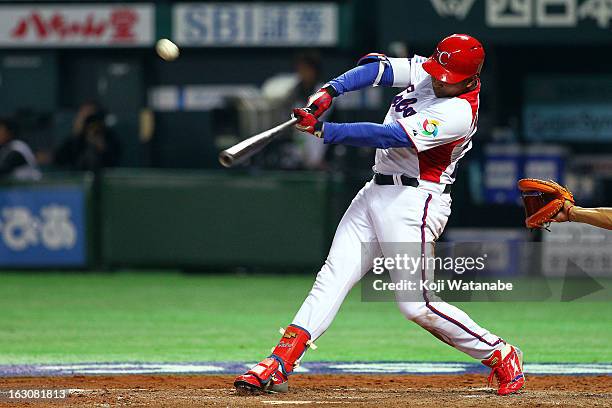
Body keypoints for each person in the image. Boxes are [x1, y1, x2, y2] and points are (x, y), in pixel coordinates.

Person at [234, 34, 525, 396]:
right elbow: (377, 70)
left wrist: (324, 129)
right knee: (333, 276)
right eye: (436, 71)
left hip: (414, 200)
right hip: (375, 190)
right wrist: (329, 92)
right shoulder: (430, 69)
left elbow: (388, 136)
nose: (436, 79)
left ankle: (501, 353)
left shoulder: (459, 112)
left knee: (416, 305)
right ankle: (279, 362)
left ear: (469, 78)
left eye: (445, 77)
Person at [54, 102, 120, 171]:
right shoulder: (77, 138)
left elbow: (113, 162)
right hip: (78, 178)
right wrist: (76, 133)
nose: (90, 121)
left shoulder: (109, 137)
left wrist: (101, 145)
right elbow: (59, 159)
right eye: (85, 116)